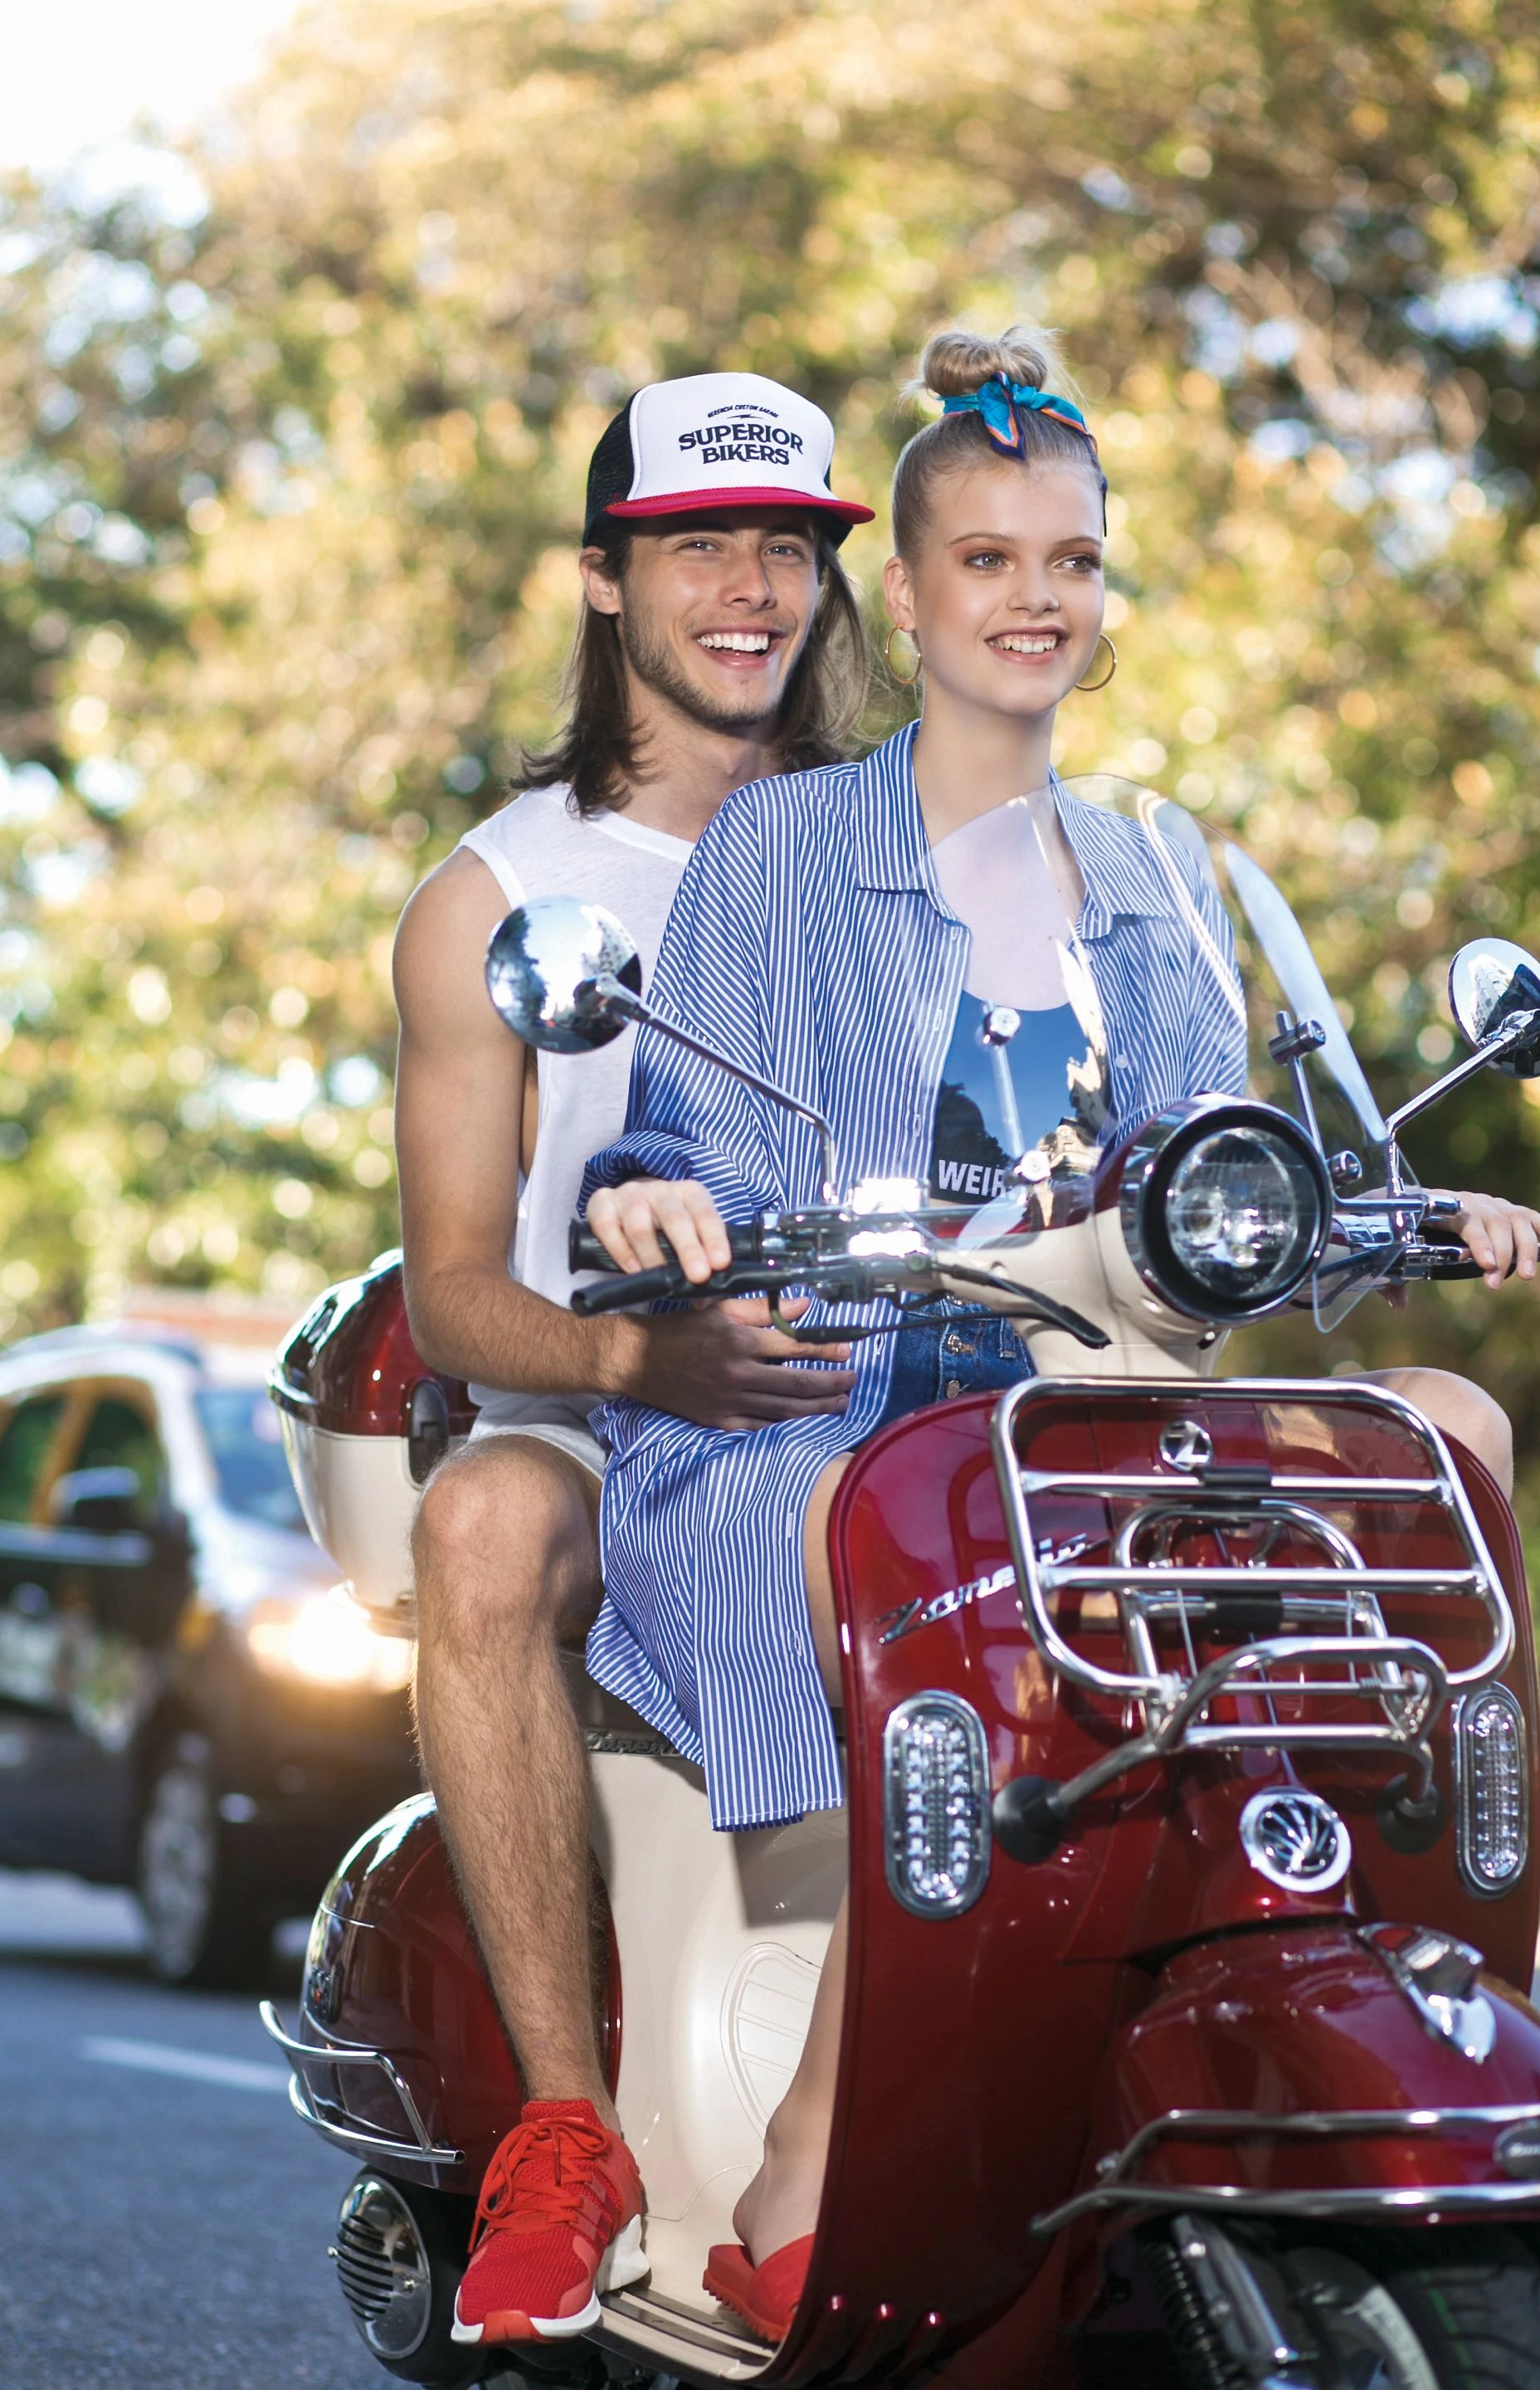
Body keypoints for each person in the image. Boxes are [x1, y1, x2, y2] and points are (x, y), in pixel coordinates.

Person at [580, 325, 1540, 2341]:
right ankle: (814, 2140)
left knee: (1442, 1422)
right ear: (909, 596)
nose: (1036, 599)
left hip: (1104, 1406)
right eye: (990, 561)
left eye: (1074, 562)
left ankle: (1403, 1950)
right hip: (845, 1396)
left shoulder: (1157, 872)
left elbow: (1220, 1183)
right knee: (874, 1538)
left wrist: (1399, 1211)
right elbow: (684, 1140)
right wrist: (656, 1204)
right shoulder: (780, 846)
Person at [392, 368, 874, 2350]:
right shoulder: (498, 897)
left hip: (889, 1404)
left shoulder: (915, 850)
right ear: (606, 580)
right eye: (698, 549)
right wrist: (638, 1361)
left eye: (787, 548)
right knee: (483, 1526)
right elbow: (452, 1296)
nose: (749, 588)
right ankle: (567, 2132)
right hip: (611, 1422)